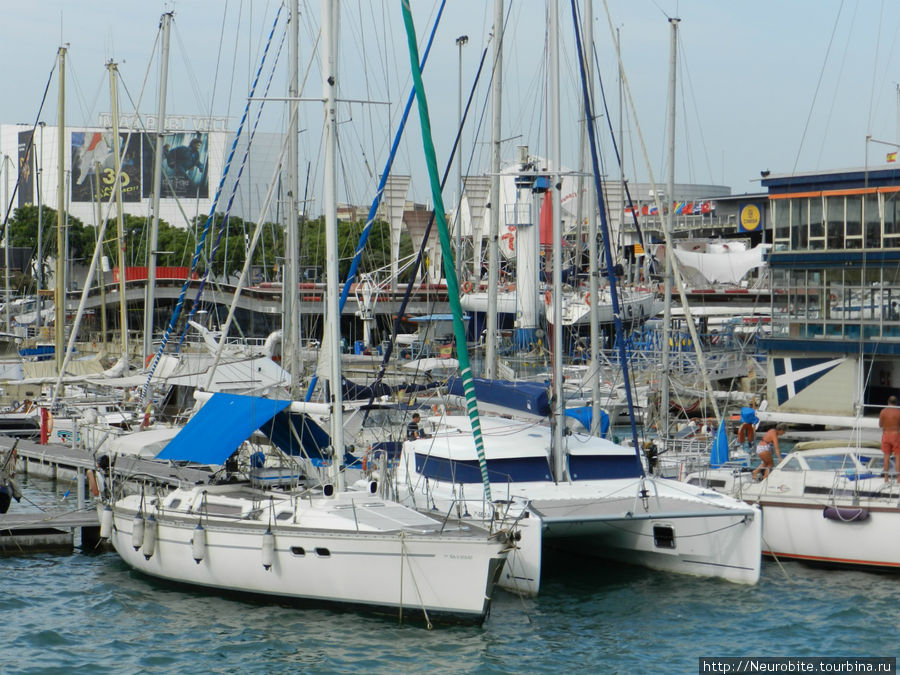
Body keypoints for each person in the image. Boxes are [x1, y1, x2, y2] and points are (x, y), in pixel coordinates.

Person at [879, 395, 900, 481]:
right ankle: (899, 479)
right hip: (896, 435)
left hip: (886, 435)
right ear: (896, 403)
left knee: (886, 457)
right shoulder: (898, 412)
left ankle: (886, 478)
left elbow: (880, 425)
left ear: (888, 403)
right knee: (898, 457)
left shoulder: (883, 412)